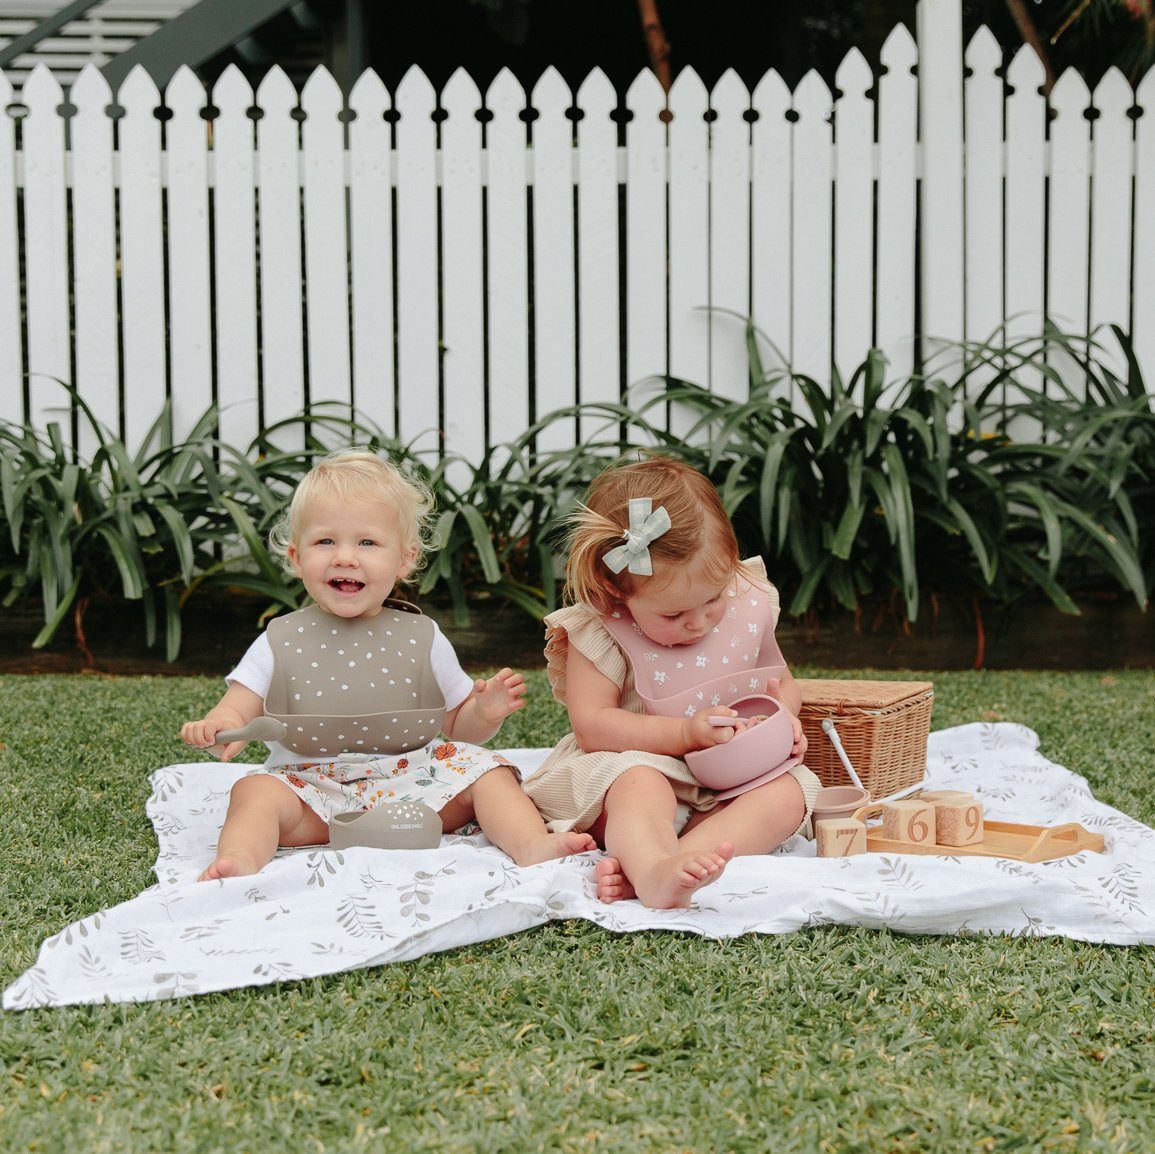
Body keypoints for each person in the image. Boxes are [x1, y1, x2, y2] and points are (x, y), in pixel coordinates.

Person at [181, 448, 594, 882]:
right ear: (297, 557)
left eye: (367, 542)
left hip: (414, 786)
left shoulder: (423, 635)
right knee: (255, 792)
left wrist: (483, 711)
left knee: (487, 772)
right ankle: (241, 861)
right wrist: (219, 726)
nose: (345, 557)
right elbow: (239, 704)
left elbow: (458, 724)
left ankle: (531, 844)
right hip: (311, 791)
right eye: (325, 541)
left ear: (404, 559)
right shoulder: (279, 638)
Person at [522, 455, 821, 909]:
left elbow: (780, 683)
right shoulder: (601, 627)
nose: (699, 622)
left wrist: (786, 720)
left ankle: (660, 869)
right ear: (616, 587)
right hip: (633, 776)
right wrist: (683, 734)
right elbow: (592, 725)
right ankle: (653, 863)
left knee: (789, 793)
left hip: (726, 784)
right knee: (642, 787)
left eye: (713, 599)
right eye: (673, 614)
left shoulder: (748, 599)